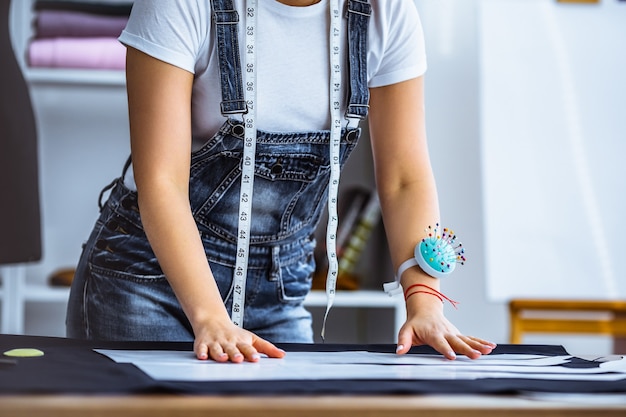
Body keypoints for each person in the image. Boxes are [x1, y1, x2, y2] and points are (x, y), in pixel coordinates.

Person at [66, 0, 496, 363]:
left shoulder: (386, 13)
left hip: (278, 285)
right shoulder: (183, 5)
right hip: (148, 281)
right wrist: (210, 317)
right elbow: (162, 182)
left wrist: (424, 301)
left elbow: (405, 179)